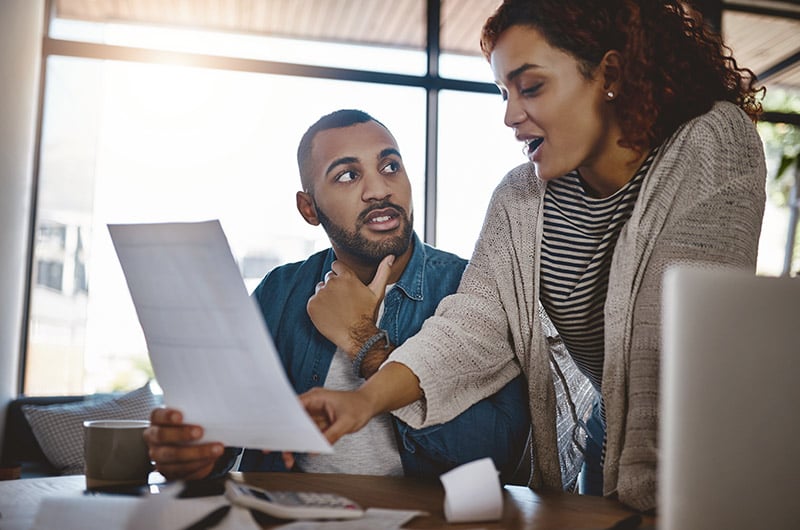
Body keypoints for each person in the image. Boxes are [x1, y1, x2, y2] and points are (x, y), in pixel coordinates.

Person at [299, 0, 767, 512]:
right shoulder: (521, 197)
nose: (509, 115)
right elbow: (473, 327)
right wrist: (364, 400)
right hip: (600, 466)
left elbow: (672, 346)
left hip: (705, 473)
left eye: (531, 87)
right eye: (504, 92)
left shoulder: (711, 143)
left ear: (609, 74)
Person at [143, 109, 530, 483]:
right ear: (308, 208)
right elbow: (222, 439)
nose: (379, 189)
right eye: (347, 175)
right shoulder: (279, 293)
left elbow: (499, 458)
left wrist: (364, 342)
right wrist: (193, 454)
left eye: (390, 166)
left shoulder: (471, 290)